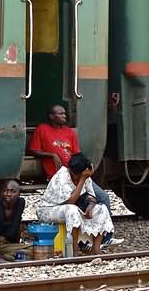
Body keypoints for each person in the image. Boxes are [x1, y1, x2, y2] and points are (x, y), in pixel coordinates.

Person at [28, 104, 122, 248]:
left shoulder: (70, 132)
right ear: (51, 116)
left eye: (65, 113)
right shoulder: (42, 129)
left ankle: (105, 237)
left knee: (102, 197)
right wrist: (51, 155)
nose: (64, 116)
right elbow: (33, 150)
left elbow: (76, 153)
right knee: (74, 206)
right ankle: (80, 244)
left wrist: (85, 172)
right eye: (60, 113)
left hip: (77, 173)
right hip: (62, 175)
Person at [36, 153, 114, 255]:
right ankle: (74, 249)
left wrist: (90, 207)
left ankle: (95, 248)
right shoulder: (62, 176)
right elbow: (71, 201)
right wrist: (82, 179)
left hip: (73, 209)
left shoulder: (85, 174)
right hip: (49, 210)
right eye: (78, 176)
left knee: (102, 209)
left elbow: (92, 196)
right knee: (71, 209)